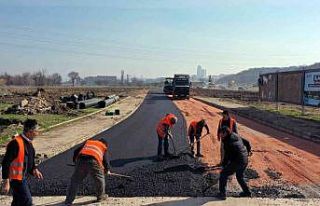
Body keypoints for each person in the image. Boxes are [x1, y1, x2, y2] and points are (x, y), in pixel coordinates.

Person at [1, 119, 43, 206]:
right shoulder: (15, 143)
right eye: (36, 131)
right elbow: (5, 163)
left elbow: (29, 159)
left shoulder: (28, 143)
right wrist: (6, 182)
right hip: (15, 179)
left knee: (17, 201)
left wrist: (34, 169)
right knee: (27, 200)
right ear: (30, 132)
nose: (38, 133)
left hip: (21, 177)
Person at [65, 138, 110, 205]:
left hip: (80, 160)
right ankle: (101, 196)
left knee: (75, 181)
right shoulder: (103, 146)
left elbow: (76, 151)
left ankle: (68, 201)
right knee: (100, 179)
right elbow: (105, 160)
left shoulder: (89, 142)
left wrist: (75, 162)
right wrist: (107, 170)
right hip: (93, 161)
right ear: (105, 144)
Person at [217, 126, 251, 200]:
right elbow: (247, 142)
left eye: (221, 134)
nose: (220, 135)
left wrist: (223, 165)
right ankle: (247, 192)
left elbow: (227, 156)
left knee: (223, 174)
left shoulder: (227, 142)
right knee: (240, 176)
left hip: (238, 161)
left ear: (225, 133)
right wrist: (248, 152)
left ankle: (222, 193)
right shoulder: (235, 135)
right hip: (245, 159)